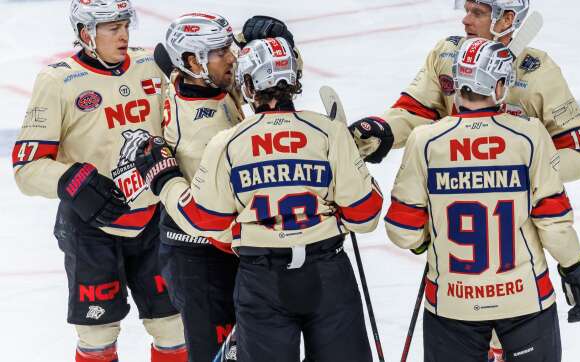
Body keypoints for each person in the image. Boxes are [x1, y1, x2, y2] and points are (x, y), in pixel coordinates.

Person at [135, 37, 382, 361]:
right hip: (327, 272)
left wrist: (165, 180)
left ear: (247, 85)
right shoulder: (328, 133)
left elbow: (205, 221)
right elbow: (364, 215)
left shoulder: (227, 142)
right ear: (294, 81)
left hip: (262, 278)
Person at [384, 38, 580, 362]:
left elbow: (402, 229)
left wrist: (427, 242)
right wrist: (577, 267)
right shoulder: (529, 135)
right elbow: (554, 224)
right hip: (526, 301)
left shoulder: (425, 141)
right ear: (500, 86)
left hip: (451, 304)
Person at [12, 1, 186, 361]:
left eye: (125, 25)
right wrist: (71, 181)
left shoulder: (151, 64)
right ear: (84, 34)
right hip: (90, 227)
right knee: (97, 335)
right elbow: (26, 167)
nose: (123, 35)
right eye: (111, 27)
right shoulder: (57, 80)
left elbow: (205, 74)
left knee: (174, 327)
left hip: (154, 217)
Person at [150, 13, 297, 362]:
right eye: (219, 52)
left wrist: (276, 47)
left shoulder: (191, 79)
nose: (232, 57)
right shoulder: (205, 132)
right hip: (203, 255)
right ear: (192, 61)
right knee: (219, 354)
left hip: (203, 248)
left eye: (228, 48)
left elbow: (161, 53)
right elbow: (207, 217)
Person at [350, 0, 580, 184]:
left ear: (507, 20)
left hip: (514, 218)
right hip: (452, 199)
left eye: (477, 13)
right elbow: (417, 111)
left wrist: (525, 170)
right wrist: (384, 130)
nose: (465, 20)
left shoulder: (537, 72)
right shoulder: (447, 53)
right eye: (467, 9)